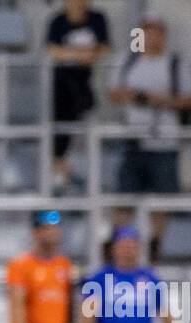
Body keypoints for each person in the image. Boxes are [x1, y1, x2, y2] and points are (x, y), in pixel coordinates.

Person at [107, 13, 191, 254]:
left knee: (162, 198)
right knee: (125, 196)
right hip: (135, 137)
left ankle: (155, 244)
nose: (153, 38)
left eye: (158, 32)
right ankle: (119, 243)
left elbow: (190, 99)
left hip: (165, 139)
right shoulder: (128, 62)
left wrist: (160, 100)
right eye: (148, 32)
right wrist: (137, 96)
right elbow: (114, 93)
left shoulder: (175, 64)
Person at [80, 225, 187, 323]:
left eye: (132, 246)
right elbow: (88, 313)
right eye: (123, 246)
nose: (127, 251)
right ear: (114, 248)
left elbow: (165, 312)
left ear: (139, 249)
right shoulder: (100, 279)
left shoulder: (150, 279)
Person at [45, 0, 110, 193]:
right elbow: (52, 50)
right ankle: (59, 171)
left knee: (84, 124)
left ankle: (77, 172)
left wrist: (73, 55)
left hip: (88, 85)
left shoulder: (97, 19)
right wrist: (82, 55)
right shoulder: (57, 21)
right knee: (60, 128)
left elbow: (104, 49)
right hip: (63, 87)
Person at [6, 210, 75, 323]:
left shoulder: (64, 265)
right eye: (47, 228)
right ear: (36, 233)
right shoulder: (21, 265)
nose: (53, 232)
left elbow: (70, 306)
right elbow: (17, 305)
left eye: (55, 228)